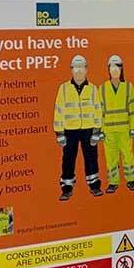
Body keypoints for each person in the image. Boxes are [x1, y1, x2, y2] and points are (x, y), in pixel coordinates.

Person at [53, 54, 104, 200]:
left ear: (86, 69)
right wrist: (59, 133)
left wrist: (96, 131)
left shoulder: (93, 89)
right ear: (71, 70)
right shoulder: (63, 89)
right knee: (68, 159)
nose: (78, 71)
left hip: (88, 130)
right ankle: (66, 188)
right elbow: (59, 110)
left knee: (91, 158)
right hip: (70, 131)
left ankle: (95, 186)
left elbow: (97, 110)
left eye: (81, 67)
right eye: (76, 68)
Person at [99, 53, 134, 193]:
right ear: (108, 69)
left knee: (127, 155)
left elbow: (133, 109)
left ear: (122, 69)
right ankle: (113, 183)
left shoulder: (128, 87)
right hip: (109, 131)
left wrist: (133, 128)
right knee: (111, 158)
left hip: (124, 129)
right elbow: (100, 111)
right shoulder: (102, 88)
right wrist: (100, 130)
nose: (115, 70)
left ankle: (131, 180)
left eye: (117, 67)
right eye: (112, 67)